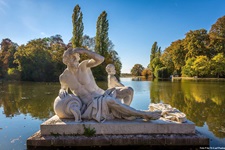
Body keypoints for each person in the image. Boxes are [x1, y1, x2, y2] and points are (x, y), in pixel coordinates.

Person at [59, 47, 161, 123]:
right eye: (73, 59)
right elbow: (63, 89)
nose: (77, 61)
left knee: (129, 90)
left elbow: (100, 59)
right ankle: (143, 114)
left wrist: (85, 51)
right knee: (109, 101)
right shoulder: (64, 77)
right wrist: (62, 91)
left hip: (104, 94)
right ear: (66, 60)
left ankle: (124, 113)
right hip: (92, 104)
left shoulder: (84, 65)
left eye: (77, 58)